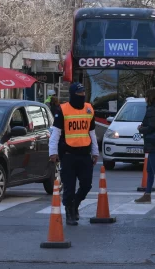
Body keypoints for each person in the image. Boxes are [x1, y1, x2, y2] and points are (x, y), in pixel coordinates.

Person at [49, 82, 98, 226]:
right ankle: (69, 212)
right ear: (72, 95)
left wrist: (95, 152)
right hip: (68, 155)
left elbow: (92, 133)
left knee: (86, 185)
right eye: (79, 94)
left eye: (83, 93)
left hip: (84, 154)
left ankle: (75, 204)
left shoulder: (89, 109)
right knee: (69, 187)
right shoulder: (63, 109)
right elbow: (55, 133)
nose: (82, 96)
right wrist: (53, 152)